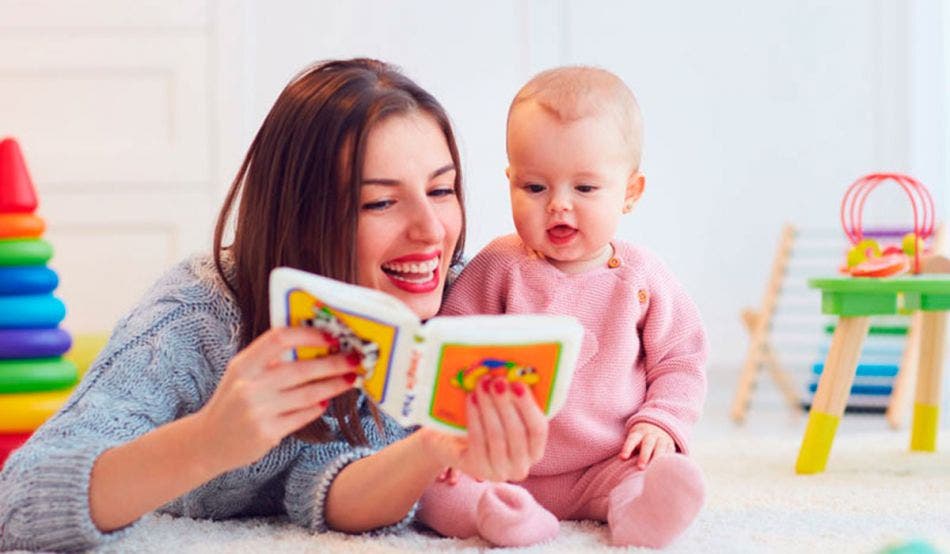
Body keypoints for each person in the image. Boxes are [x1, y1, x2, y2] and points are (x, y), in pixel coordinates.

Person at [0, 58, 548, 552]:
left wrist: (437, 448)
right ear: (302, 216)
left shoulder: (472, 296)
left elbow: (331, 485)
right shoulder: (198, 319)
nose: (431, 231)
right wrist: (208, 442)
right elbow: (18, 503)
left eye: (442, 190)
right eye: (379, 202)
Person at [416, 66, 709, 548]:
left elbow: (681, 358)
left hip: (606, 460)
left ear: (630, 192)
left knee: (648, 469)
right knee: (433, 488)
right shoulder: (498, 266)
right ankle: (499, 516)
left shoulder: (642, 277)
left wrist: (661, 421)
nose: (558, 205)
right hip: (500, 461)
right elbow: (447, 354)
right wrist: (449, 433)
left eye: (585, 189)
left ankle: (638, 511)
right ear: (511, 181)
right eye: (535, 187)